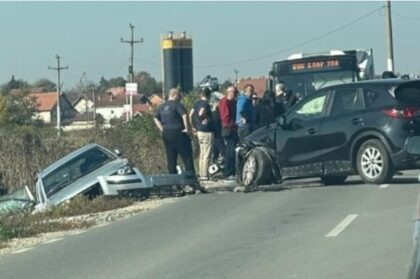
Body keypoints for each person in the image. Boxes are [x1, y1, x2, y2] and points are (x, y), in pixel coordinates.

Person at [154, 88, 195, 177]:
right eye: (179, 96)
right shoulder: (177, 105)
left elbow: (156, 118)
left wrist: (162, 129)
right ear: (175, 95)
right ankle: (191, 180)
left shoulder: (162, 106)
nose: (180, 98)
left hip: (166, 133)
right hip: (178, 132)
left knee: (171, 158)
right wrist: (187, 129)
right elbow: (184, 115)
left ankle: (173, 182)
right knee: (187, 157)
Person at [189, 88, 214, 180]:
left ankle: (200, 173)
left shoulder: (196, 103)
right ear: (209, 95)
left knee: (202, 154)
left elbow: (190, 114)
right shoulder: (205, 103)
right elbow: (201, 113)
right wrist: (205, 117)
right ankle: (205, 174)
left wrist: (193, 127)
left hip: (199, 131)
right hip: (206, 130)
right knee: (207, 153)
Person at [219, 86, 238, 181]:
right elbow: (225, 117)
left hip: (234, 128)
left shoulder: (234, 102)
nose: (235, 94)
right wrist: (234, 124)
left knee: (233, 151)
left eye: (236, 92)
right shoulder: (225, 101)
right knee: (229, 151)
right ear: (228, 92)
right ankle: (227, 173)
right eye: (233, 92)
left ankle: (233, 170)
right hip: (228, 128)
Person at [211, 97, 226, 165]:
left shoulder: (215, 113)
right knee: (224, 151)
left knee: (215, 151)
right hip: (217, 135)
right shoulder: (215, 114)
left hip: (217, 134)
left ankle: (214, 162)